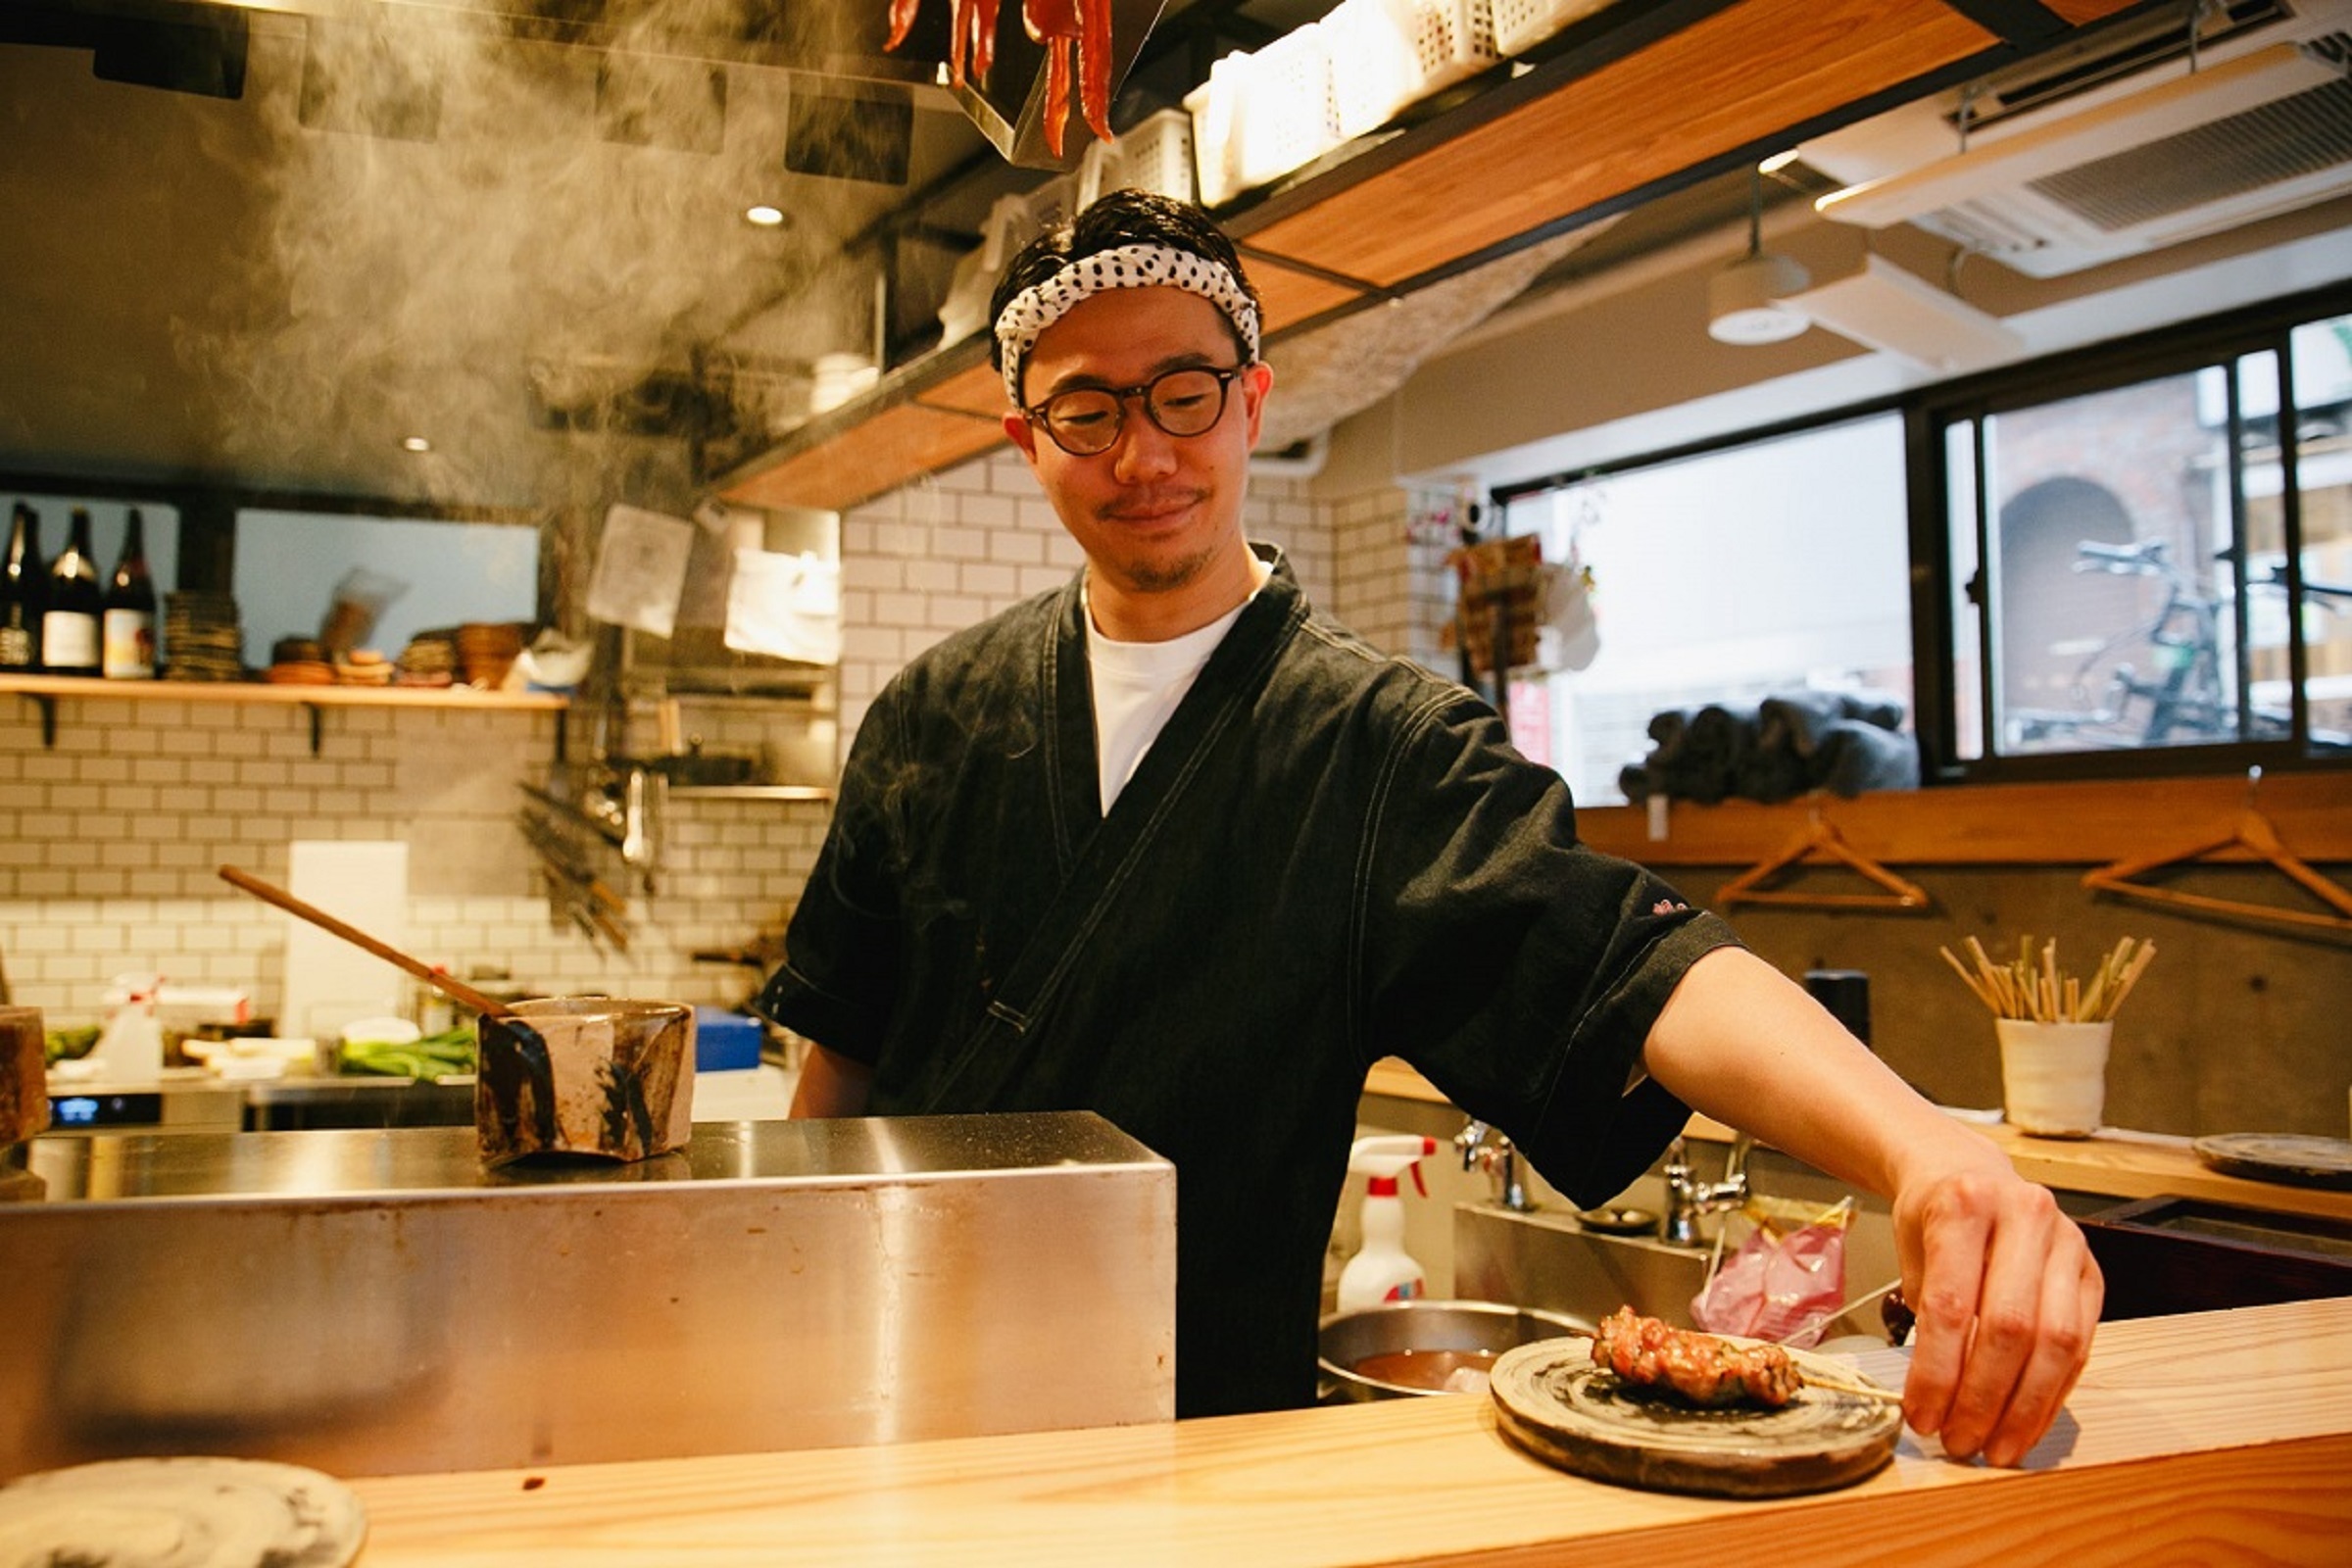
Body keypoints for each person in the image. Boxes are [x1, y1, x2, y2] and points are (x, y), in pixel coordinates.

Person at [757, 189, 2101, 1464]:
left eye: (1184, 393)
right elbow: (841, 1070)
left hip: (1196, 1439)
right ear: (1024, 438)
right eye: (1086, 410)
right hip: (895, 1405)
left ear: (1251, 403)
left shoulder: (1382, 746)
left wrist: (1927, 1150)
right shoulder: (931, 715)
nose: (1146, 452)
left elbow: (1631, 965)